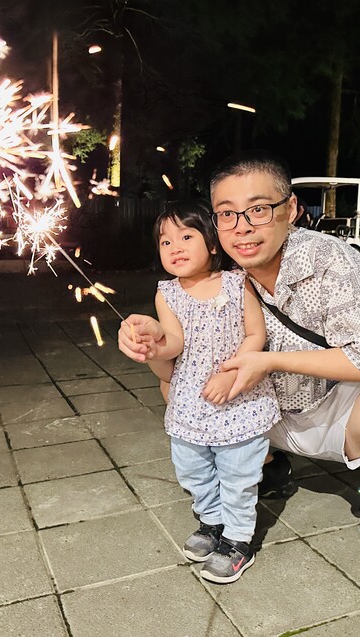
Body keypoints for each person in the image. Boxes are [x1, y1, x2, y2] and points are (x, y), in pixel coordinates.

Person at [119, 151, 360, 583]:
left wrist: (269, 360)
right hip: (251, 411)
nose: (242, 227)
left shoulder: (328, 260)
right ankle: (267, 466)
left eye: (258, 209)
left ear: (290, 209)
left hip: (334, 408)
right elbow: (171, 375)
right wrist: (150, 345)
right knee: (180, 392)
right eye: (227, 214)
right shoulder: (208, 273)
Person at [137, 200, 281, 584]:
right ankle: (212, 521)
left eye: (186, 237)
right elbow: (175, 342)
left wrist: (231, 374)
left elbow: (256, 334)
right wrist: (154, 343)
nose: (175, 247)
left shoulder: (237, 282)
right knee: (193, 469)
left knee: (237, 474)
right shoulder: (167, 293)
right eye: (165, 242)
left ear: (213, 244)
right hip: (190, 403)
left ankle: (238, 540)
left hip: (239, 399)